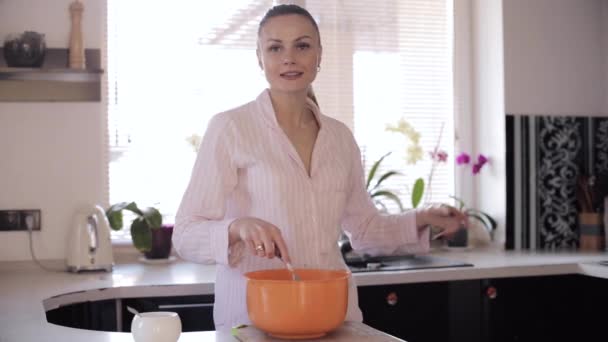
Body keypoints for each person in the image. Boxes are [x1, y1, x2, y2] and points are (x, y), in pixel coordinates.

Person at [173, 3, 468, 331]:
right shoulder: (231, 128)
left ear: (319, 55)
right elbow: (185, 234)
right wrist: (236, 227)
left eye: (302, 45)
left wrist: (423, 218)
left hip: (332, 320)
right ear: (260, 58)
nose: (289, 58)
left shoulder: (340, 138)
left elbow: (365, 230)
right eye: (275, 48)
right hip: (253, 322)